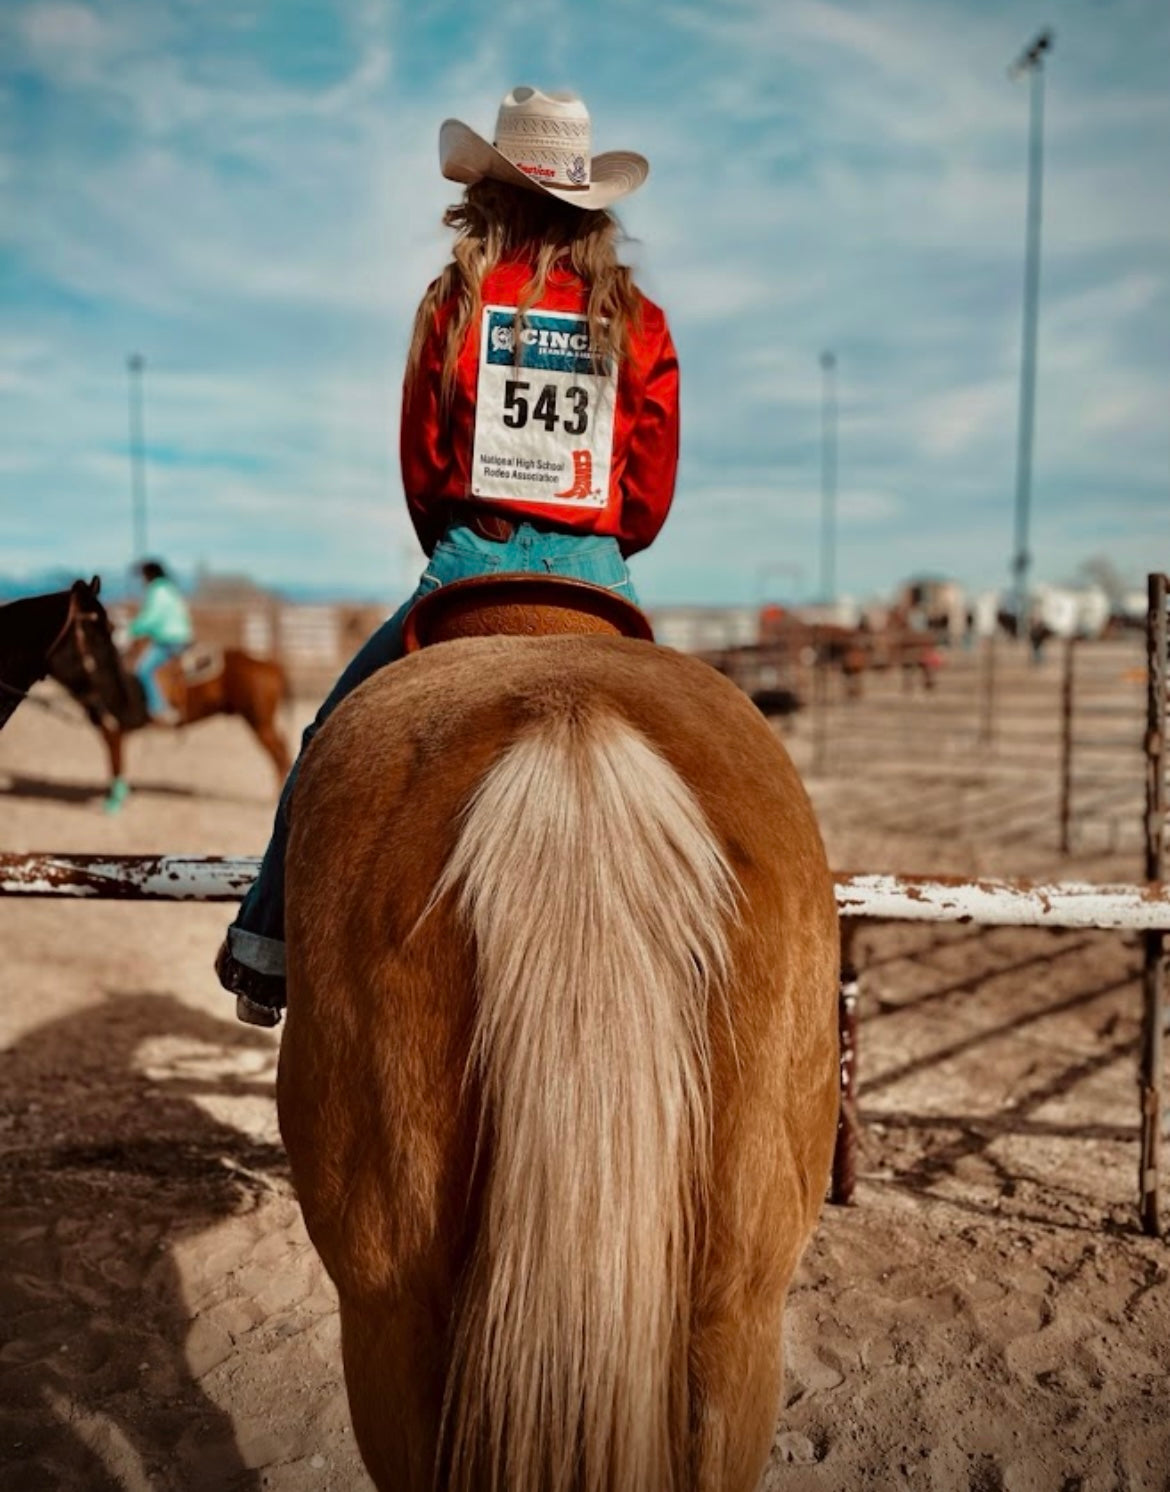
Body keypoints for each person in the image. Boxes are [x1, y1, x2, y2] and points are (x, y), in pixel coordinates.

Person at [215, 85, 680, 1026]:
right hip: (599, 576)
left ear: (489, 199)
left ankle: (266, 952)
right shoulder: (640, 321)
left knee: (325, 744)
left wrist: (468, 537)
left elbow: (425, 469)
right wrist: (587, 534)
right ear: (589, 206)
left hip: (475, 562)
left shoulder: (456, 303)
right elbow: (648, 495)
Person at [129, 560, 193, 726]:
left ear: (148, 575)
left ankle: (159, 709)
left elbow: (152, 618)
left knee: (143, 670)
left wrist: (132, 629)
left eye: (142, 576)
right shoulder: (169, 589)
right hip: (181, 636)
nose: (141, 581)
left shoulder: (157, 591)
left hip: (169, 639)